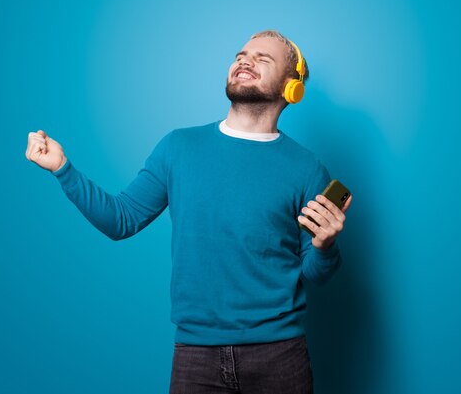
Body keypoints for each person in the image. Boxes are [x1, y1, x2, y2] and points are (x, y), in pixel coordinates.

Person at [25, 30, 352, 394]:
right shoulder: (178, 147)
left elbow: (316, 274)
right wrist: (63, 169)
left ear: (292, 87)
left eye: (263, 59)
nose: (245, 61)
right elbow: (121, 220)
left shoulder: (307, 169)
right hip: (196, 357)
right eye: (242, 54)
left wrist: (324, 247)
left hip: (279, 356)